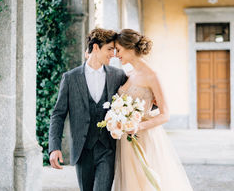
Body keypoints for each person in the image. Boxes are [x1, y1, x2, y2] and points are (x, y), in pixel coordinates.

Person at [113, 29, 193, 191]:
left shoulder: (152, 76)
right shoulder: (128, 74)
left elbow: (165, 114)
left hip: (144, 136)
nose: (116, 54)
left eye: (119, 50)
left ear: (129, 48)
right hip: (126, 141)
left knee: (147, 182)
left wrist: (138, 126)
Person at [48, 28, 127, 191]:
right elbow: (58, 114)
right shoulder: (70, 78)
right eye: (109, 49)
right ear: (96, 48)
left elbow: (134, 98)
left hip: (108, 149)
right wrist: (54, 147)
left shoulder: (118, 75)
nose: (113, 54)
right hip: (83, 150)